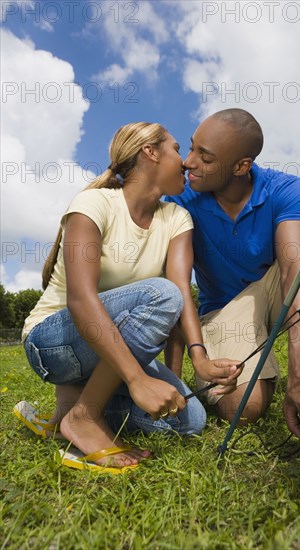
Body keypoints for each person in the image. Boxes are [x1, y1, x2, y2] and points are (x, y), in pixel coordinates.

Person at [21, 122, 241, 471]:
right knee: (161, 293)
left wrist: (199, 361)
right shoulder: (93, 203)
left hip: (108, 344)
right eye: (175, 148)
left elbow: (184, 290)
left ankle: (69, 410)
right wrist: (138, 380)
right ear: (150, 153)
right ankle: (84, 418)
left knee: (189, 419)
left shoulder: (177, 218)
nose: (185, 161)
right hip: (54, 343)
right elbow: (80, 299)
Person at [165, 108, 300, 443]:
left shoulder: (283, 188)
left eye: (205, 157)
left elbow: (293, 270)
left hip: (277, 296)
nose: (188, 162)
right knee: (246, 408)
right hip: (224, 311)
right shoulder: (181, 198)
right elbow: (176, 284)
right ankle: (272, 374)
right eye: (191, 147)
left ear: (241, 166)